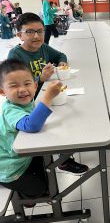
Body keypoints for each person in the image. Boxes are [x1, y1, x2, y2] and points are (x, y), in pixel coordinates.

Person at [7, 13, 89, 175]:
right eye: (30, 32)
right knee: (59, 125)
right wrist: (40, 78)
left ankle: (63, 156)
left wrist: (62, 63)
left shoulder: (43, 48)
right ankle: (63, 161)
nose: (37, 36)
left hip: (46, 95)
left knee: (73, 114)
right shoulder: (16, 56)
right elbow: (18, 90)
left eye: (40, 31)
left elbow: (60, 55)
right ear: (19, 35)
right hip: (27, 104)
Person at [0, 59, 63, 202]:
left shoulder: (25, 101)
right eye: (13, 86)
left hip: (21, 158)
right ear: (2, 91)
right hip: (8, 168)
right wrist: (47, 97)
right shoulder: (10, 109)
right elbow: (31, 125)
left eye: (27, 84)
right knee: (38, 189)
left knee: (43, 163)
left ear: (35, 86)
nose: (22, 89)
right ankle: (24, 199)